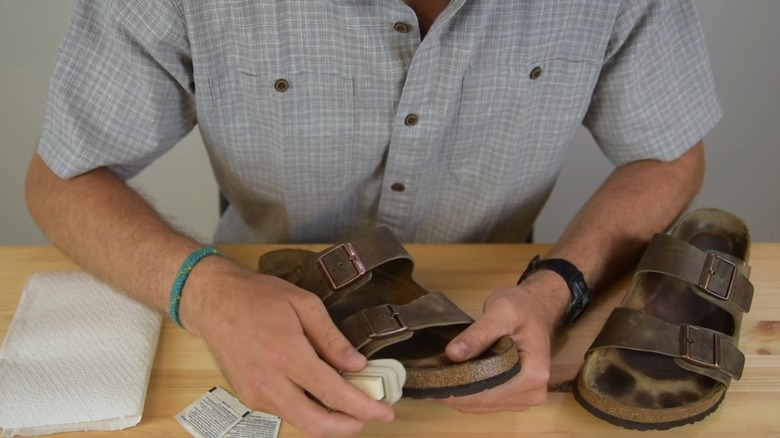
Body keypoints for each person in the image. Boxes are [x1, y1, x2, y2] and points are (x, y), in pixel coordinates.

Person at [25, 0, 718, 437]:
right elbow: (61, 180)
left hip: (498, 316)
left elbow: (669, 157)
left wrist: (558, 288)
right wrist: (207, 295)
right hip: (244, 314)